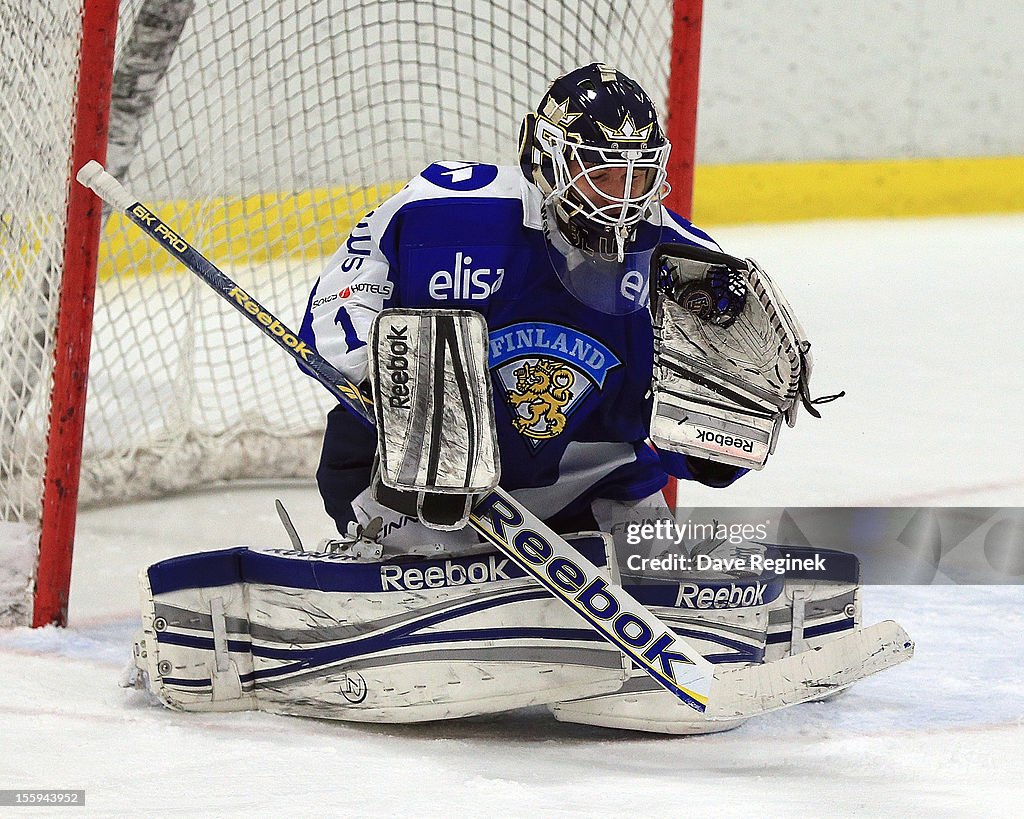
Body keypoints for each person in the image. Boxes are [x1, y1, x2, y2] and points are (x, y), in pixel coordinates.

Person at [299, 62, 746, 553]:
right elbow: (341, 304)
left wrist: (719, 437)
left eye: (636, 177)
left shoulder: (682, 264)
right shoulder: (442, 211)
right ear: (547, 158)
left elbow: (703, 423)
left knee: (665, 576)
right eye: (600, 172)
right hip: (417, 480)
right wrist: (390, 386)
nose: (620, 197)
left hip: (595, 484)